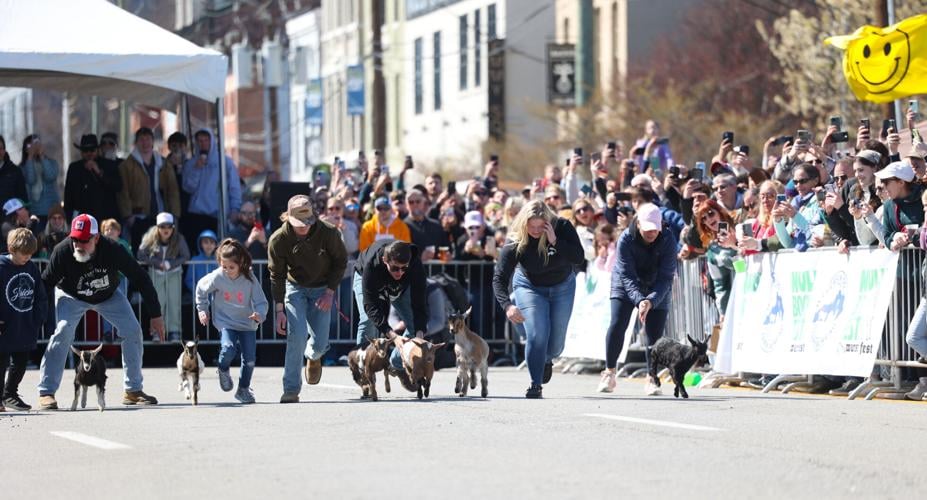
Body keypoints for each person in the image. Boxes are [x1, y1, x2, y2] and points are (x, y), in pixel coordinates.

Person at [38, 214, 165, 410]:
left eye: (85, 240)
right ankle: (46, 392)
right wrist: (32, 317)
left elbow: (140, 278)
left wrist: (156, 315)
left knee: (132, 329)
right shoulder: (62, 251)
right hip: (72, 296)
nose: (79, 245)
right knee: (63, 331)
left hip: (108, 296)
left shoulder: (114, 250)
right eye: (75, 239)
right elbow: (44, 285)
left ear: (96, 238)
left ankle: (133, 390)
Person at [492, 199, 585, 399]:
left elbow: (578, 257)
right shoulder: (515, 242)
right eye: (531, 226)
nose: (535, 231)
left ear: (548, 222)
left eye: (539, 226)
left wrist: (555, 242)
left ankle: (546, 359)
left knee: (556, 345)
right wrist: (507, 306)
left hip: (562, 286)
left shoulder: (562, 226)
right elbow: (499, 278)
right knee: (536, 335)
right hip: (529, 287)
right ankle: (535, 384)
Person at [268, 195, 347, 403]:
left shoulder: (328, 232)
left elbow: (340, 262)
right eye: (298, 224)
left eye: (307, 223)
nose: (303, 227)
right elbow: (276, 275)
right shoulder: (278, 239)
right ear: (288, 218)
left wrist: (330, 292)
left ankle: (313, 356)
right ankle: (291, 389)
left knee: (320, 343)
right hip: (295, 288)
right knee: (297, 335)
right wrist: (278, 310)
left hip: (322, 289)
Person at [596, 203, 677, 396]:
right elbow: (627, 275)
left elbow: (666, 277)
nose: (651, 233)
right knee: (618, 322)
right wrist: (640, 300)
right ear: (638, 224)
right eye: (647, 229)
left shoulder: (668, 238)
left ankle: (652, 377)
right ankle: (609, 372)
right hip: (626, 282)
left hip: (657, 283)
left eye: (655, 229)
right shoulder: (626, 238)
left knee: (654, 333)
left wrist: (651, 300)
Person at [196, 239, 268, 404]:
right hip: (226, 321)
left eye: (231, 267)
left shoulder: (249, 278)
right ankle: (222, 369)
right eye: (224, 266)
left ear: (240, 263)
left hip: (247, 323)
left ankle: (243, 389)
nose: (227, 271)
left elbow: (261, 301)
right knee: (228, 348)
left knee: (249, 359)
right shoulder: (218, 276)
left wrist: (260, 314)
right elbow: (201, 288)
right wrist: (202, 309)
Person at [353, 240, 427, 375]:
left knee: (414, 325)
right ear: (384, 261)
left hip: (399, 288)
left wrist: (420, 335)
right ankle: (364, 372)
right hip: (367, 278)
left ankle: (396, 364)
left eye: (404, 268)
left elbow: (420, 303)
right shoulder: (372, 265)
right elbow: (371, 307)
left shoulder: (415, 265)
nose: (399, 272)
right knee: (367, 320)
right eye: (395, 268)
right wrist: (393, 336)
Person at [0, 228, 48, 411]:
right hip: (4, 327)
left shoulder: (31, 268)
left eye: (30, 254)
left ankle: (10, 393)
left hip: (25, 325)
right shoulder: (2, 267)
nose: (27, 257)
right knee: (1, 363)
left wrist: (38, 318)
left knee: (20, 364)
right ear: (12, 249)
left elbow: (40, 295)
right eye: (23, 254)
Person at [117, 127, 181, 251]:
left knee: (160, 253)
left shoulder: (164, 164)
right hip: (138, 217)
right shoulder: (126, 166)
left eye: (148, 139)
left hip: (161, 217)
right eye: (141, 140)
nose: (145, 143)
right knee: (140, 253)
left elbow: (173, 191)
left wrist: (175, 215)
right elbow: (123, 192)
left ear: (152, 141)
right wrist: (128, 216)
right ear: (136, 143)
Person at [181, 129, 242, 252]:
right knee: (197, 251)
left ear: (212, 141)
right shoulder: (191, 163)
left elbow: (234, 187)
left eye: (206, 140)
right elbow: (188, 188)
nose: (203, 143)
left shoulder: (225, 162)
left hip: (216, 216)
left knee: (216, 252)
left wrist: (235, 208)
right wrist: (196, 169)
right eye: (199, 141)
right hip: (196, 215)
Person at [137, 212, 190, 342]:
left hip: (174, 273)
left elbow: (186, 256)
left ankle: (174, 331)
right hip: (156, 273)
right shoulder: (149, 237)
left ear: (173, 227)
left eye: (169, 227)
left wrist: (170, 264)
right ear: (157, 227)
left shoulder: (179, 238)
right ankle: (156, 332)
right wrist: (157, 263)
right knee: (157, 302)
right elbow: (140, 255)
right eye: (162, 226)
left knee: (174, 302)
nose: (166, 230)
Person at [63, 134, 123, 222]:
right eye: (85, 150)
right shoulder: (74, 168)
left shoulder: (109, 165)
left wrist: (99, 172)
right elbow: (68, 195)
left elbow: (117, 186)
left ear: (97, 150)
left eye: (92, 150)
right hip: (83, 217)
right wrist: (68, 217)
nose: (89, 153)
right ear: (81, 152)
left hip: (105, 218)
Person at [877, 161, 924, 251]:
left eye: (886, 182)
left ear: (901, 182)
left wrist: (911, 238)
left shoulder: (924, 198)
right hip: (904, 262)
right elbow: (886, 235)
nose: (883, 186)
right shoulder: (888, 205)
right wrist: (894, 238)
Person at [20, 134, 61, 230]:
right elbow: (30, 179)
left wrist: (42, 156)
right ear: (25, 149)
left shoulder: (52, 163)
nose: (35, 147)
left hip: (51, 209)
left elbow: (50, 176)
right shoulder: (22, 168)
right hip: (34, 210)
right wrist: (29, 157)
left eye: (37, 144)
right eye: (30, 145)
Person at [404, 190, 443, 262]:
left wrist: (446, 256)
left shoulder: (436, 225)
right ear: (406, 205)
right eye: (411, 202)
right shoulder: (402, 226)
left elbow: (444, 247)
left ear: (423, 203)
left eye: (418, 201)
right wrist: (419, 258)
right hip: (413, 272)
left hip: (435, 271)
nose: (415, 204)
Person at [185, 229, 219, 294]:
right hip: (201, 299)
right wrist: (198, 291)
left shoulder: (219, 260)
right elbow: (189, 280)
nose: (209, 245)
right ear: (201, 244)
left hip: (216, 299)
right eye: (206, 242)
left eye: (212, 242)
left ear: (215, 245)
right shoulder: (195, 260)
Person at [0, 135, 27, 210]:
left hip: (10, 218)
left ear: (4, 150)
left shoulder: (15, 171)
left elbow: (23, 198)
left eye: (1, 148)